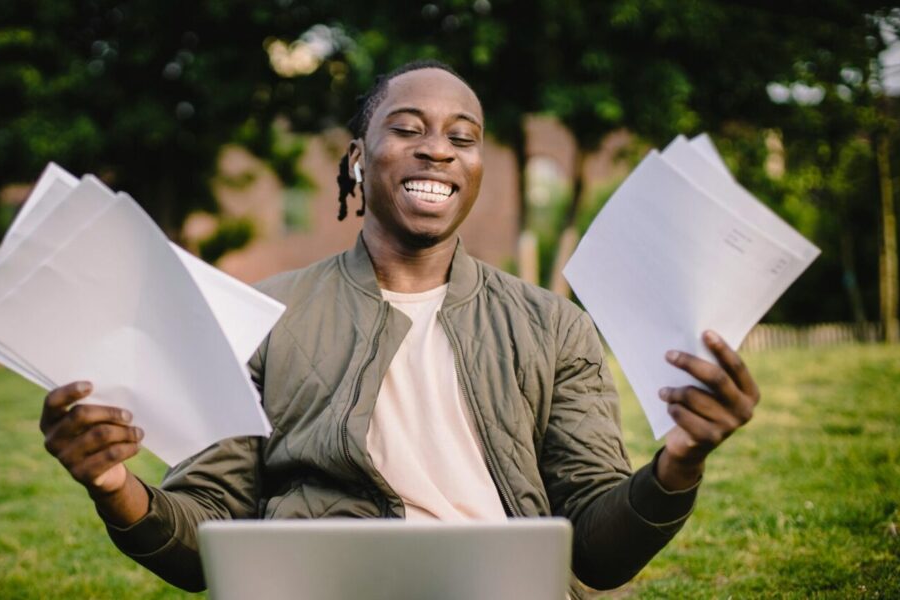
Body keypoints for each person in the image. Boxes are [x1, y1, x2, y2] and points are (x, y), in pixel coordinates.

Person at [38, 60, 760, 597]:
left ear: (476, 168)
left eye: (463, 137)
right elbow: (207, 541)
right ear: (358, 159)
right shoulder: (260, 318)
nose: (438, 149)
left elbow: (599, 553)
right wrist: (111, 482)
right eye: (407, 129)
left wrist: (680, 463)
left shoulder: (554, 328)